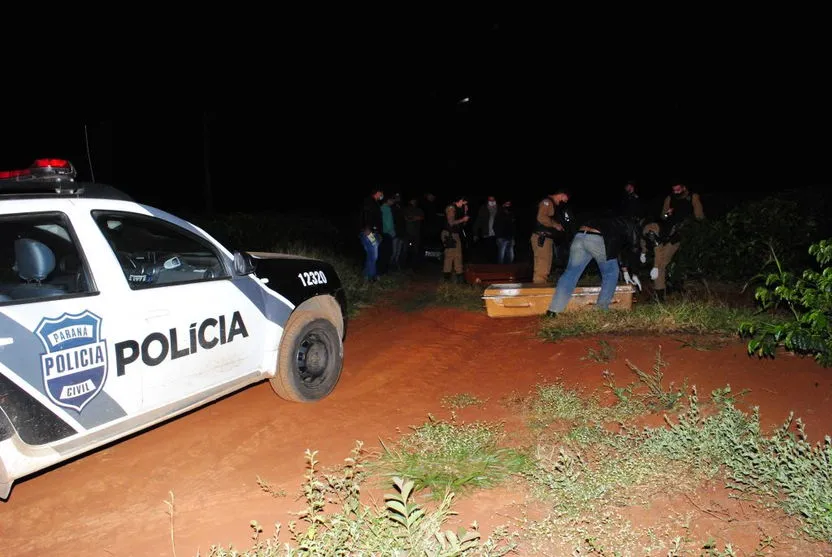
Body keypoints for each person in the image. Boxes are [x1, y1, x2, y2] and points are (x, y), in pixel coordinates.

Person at [546, 215, 643, 316]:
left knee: (571, 273)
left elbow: (617, 249)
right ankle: (601, 311)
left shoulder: (612, 220)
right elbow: (634, 249)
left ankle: (553, 310)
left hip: (580, 236)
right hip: (597, 238)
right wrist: (635, 273)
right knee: (611, 273)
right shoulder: (632, 226)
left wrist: (625, 271)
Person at [643, 182, 705, 300]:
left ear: (684, 187)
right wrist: (667, 214)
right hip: (669, 234)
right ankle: (660, 295)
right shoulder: (670, 198)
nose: (676, 192)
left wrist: (691, 225)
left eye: (678, 190)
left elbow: (699, 216)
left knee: (680, 266)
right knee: (661, 263)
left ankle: (678, 287)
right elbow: (663, 216)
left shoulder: (693, 197)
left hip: (686, 235)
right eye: (674, 190)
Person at [531, 189, 570, 283]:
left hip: (545, 238)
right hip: (542, 237)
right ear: (561, 194)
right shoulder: (547, 202)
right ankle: (539, 289)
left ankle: (540, 286)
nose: (567, 200)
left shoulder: (553, 204)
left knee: (545, 264)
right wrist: (555, 225)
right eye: (566, 197)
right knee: (542, 264)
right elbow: (541, 217)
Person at [441, 195, 470, 282]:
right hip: (449, 234)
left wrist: (465, 212)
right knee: (450, 256)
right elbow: (451, 223)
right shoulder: (451, 208)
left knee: (457, 256)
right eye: (464, 202)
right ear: (460, 200)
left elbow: (462, 225)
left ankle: (459, 278)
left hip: (454, 234)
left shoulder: (458, 210)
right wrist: (463, 219)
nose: (465, 204)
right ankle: (447, 279)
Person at [358, 187, 384, 282]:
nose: (382, 196)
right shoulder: (369, 201)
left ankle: (366, 276)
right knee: (373, 255)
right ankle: (372, 277)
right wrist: (367, 228)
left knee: (371, 255)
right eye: (381, 193)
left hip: (372, 233)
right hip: (369, 233)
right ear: (378, 192)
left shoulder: (375, 203)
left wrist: (379, 233)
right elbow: (366, 214)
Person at [473, 195, 498, 263]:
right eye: (490, 200)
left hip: (497, 234)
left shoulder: (499, 208)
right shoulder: (483, 208)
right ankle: (489, 267)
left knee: (496, 252)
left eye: (493, 200)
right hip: (487, 233)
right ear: (488, 201)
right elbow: (478, 221)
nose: (492, 201)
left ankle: (497, 267)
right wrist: (475, 233)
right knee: (488, 251)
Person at [494, 200, 516, 264]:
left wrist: (513, 237)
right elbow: (495, 226)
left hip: (510, 237)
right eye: (506, 204)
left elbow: (514, 226)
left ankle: (508, 271)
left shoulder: (512, 213)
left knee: (511, 256)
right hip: (501, 238)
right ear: (503, 204)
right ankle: (500, 271)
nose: (508, 205)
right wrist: (498, 236)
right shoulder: (499, 213)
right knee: (501, 256)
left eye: (509, 204)